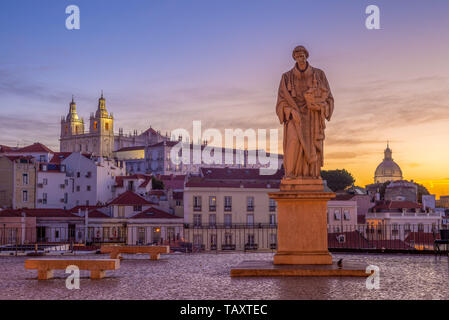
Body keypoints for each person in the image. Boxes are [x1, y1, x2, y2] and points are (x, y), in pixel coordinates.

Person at [275, 46, 334, 179]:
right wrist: (289, 111)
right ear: (294, 58)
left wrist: (321, 106)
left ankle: (311, 175)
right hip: (294, 116)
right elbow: (280, 102)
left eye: (302, 55)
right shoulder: (286, 77)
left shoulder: (319, 74)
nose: (300, 58)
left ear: (306, 56)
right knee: (293, 142)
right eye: (297, 56)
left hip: (313, 117)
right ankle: (291, 174)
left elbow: (329, 98)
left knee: (313, 144)